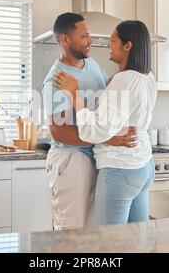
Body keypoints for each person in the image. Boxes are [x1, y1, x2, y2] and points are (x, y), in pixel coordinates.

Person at [53, 20, 158, 225]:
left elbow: (94, 131)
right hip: (143, 166)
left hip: (120, 169)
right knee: (137, 239)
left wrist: (74, 95)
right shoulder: (147, 78)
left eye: (112, 40)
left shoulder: (123, 80)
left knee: (111, 243)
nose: (108, 45)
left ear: (127, 45)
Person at [42, 13, 137, 230]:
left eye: (90, 34)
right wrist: (107, 139)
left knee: (93, 233)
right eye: (84, 36)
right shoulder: (57, 79)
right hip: (72, 159)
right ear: (65, 40)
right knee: (71, 231)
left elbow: (108, 86)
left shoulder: (91, 64)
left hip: (97, 155)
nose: (90, 41)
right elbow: (58, 132)